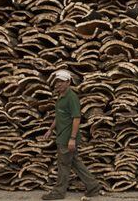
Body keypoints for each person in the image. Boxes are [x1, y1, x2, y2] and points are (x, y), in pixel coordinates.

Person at [42, 69, 102, 200]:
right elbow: (59, 115)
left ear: (68, 82)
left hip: (67, 138)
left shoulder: (71, 97)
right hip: (61, 135)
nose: (58, 84)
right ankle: (93, 186)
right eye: (57, 81)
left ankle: (58, 192)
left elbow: (76, 118)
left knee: (63, 165)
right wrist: (50, 129)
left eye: (61, 82)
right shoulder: (61, 96)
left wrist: (72, 139)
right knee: (75, 162)